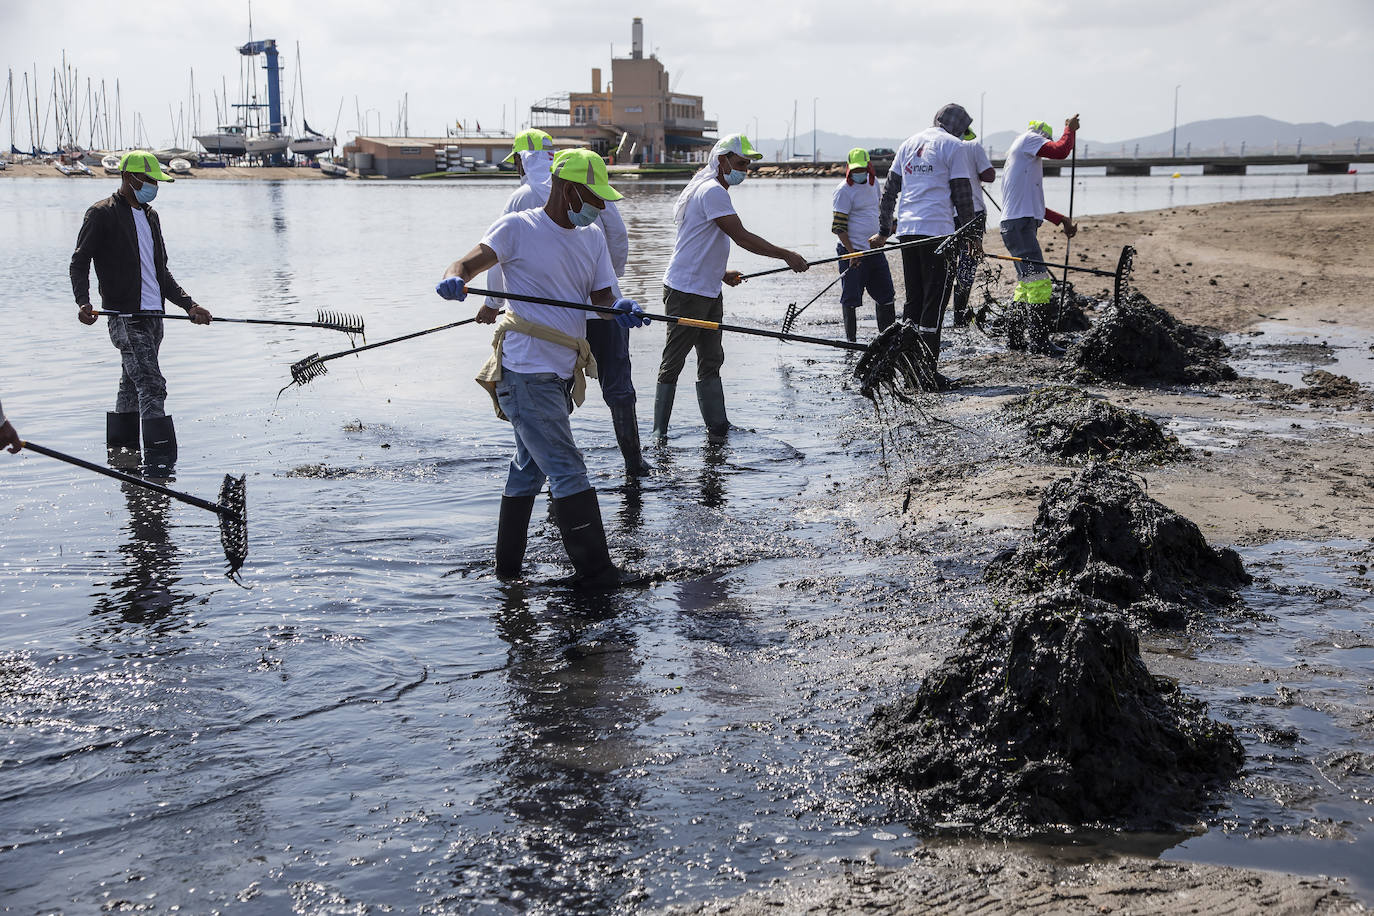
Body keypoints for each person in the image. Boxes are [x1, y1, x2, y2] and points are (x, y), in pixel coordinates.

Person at [435, 149, 649, 587]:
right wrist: (456, 279)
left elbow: (603, 299)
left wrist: (621, 309)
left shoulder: (591, 239)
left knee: (529, 469)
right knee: (569, 468)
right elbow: (467, 264)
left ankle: (506, 573)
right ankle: (597, 572)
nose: (601, 208)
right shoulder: (518, 228)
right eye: (595, 197)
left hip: (560, 372)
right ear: (568, 189)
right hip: (524, 371)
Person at [489, 134, 652, 477]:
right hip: (602, 313)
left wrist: (493, 304)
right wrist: (607, 283)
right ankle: (634, 465)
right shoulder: (585, 187)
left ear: (521, 160)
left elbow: (498, 264)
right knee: (618, 389)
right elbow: (619, 238)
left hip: (558, 319)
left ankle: (557, 475)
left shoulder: (532, 195)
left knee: (552, 390)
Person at [653, 134, 809, 443]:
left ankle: (718, 427)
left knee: (711, 359)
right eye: (740, 164)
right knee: (673, 363)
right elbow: (742, 238)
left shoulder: (712, 189)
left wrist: (721, 273)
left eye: (748, 166)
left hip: (708, 288)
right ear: (722, 160)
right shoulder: (711, 190)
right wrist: (787, 255)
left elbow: (700, 240)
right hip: (686, 291)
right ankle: (659, 435)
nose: (745, 170)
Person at [70, 150, 211, 472]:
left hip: (154, 316)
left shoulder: (151, 216)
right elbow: (79, 262)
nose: (153, 186)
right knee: (152, 384)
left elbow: (160, 272)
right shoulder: (101, 214)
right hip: (124, 317)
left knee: (131, 383)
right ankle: (161, 467)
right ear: (129, 178)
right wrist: (83, 302)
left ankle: (123, 456)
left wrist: (189, 305)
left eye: (155, 181)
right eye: (148, 180)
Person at [870, 104, 978, 383]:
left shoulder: (907, 144)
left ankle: (909, 368)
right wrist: (971, 236)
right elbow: (963, 196)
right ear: (958, 126)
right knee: (936, 300)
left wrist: (883, 232)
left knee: (914, 300)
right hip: (938, 233)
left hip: (907, 232)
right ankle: (926, 372)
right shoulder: (954, 146)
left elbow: (889, 193)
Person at [999, 115, 1080, 353]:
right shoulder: (1028, 140)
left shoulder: (1023, 162)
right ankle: (1039, 342)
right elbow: (1061, 151)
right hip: (1019, 227)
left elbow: (1035, 206)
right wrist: (1070, 129)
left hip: (1017, 225)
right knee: (1040, 282)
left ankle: (1015, 339)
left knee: (1027, 283)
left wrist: (1061, 220)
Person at [830, 148, 895, 342]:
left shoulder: (874, 184)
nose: (859, 173)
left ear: (869, 167)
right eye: (855, 170)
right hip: (852, 253)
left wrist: (890, 226)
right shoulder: (843, 190)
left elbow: (880, 210)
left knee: (886, 295)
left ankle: (887, 339)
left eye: (862, 169)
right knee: (851, 299)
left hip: (874, 251)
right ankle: (852, 342)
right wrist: (852, 253)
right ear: (849, 168)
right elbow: (839, 227)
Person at [950, 133, 997, 327]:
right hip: (973, 211)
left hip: (946, 213)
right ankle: (958, 317)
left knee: (949, 265)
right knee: (967, 266)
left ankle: (940, 316)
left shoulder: (943, 146)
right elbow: (990, 175)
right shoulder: (972, 146)